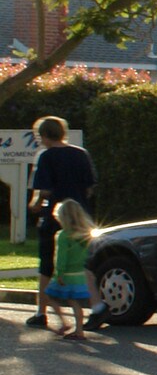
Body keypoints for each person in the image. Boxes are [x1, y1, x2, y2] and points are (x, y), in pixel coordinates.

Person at [25, 116, 103, 330]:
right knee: (84, 263)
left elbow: (45, 190)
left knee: (47, 263)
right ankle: (97, 306)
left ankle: (41, 312)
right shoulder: (81, 154)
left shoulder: (47, 156)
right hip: (81, 216)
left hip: (56, 216)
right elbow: (89, 187)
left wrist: (36, 204)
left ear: (44, 135)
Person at [44, 199, 95, 339]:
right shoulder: (85, 234)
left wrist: (59, 272)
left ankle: (64, 322)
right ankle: (79, 329)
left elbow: (61, 256)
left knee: (48, 295)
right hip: (79, 273)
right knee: (75, 302)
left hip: (66, 273)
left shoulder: (63, 235)